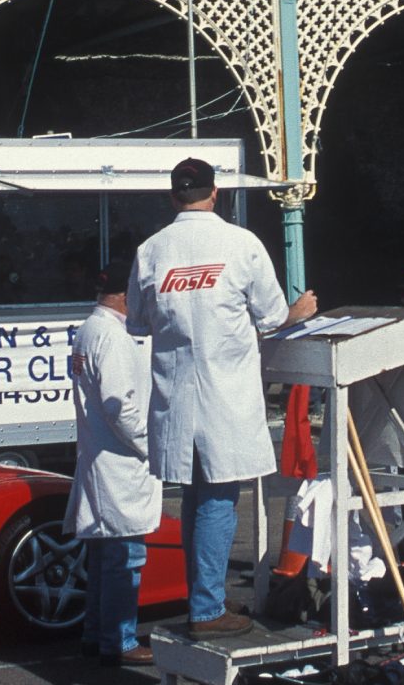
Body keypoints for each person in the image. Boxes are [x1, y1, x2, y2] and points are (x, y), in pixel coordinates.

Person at [126, 157, 316, 638]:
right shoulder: (241, 243)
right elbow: (272, 317)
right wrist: (301, 311)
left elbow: (136, 324)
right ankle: (207, 607)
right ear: (215, 194)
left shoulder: (151, 250)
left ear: (174, 197)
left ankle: (203, 594)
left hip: (175, 396)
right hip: (224, 394)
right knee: (218, 499)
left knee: (194, 498)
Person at [67, 260, 160, 666]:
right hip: (121, 460)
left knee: (105, 555)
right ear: (126, 295)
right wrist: (149, 445)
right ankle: (119, 639)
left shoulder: (88, 330)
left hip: (98, 457)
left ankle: (96, 633)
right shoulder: (114, 336)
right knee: (125, 557)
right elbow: (120, 405)